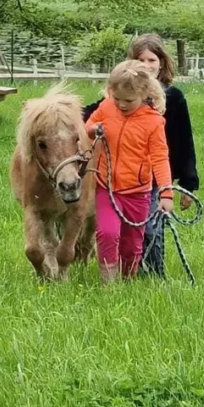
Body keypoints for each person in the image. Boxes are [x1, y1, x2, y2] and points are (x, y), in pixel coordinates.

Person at [83, 34, 199, 277]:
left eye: (151, 60)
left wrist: (184, 184)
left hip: (149, 181)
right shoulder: (112, 101)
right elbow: (89, 118)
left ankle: (152, 274)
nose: (146, 65)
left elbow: (180, 145)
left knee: (148, 232)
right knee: (110, 232)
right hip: (111, 182)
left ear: (162, 62)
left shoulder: (170, 102)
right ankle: (112, 280)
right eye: (140, 60)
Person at [84, 61, 173, 282]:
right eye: (117, 99)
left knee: (132, 244)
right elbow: (87, 126)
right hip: (107, 187)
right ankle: (108, 283)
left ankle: (128, 278)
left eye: (129, 101)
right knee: (107, 233)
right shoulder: (106, 107)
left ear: (143, 94)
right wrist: (94, 130)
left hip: (138, 192)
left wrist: (166, 192)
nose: (121, 105)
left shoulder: (153, 122)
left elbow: (160, 159)